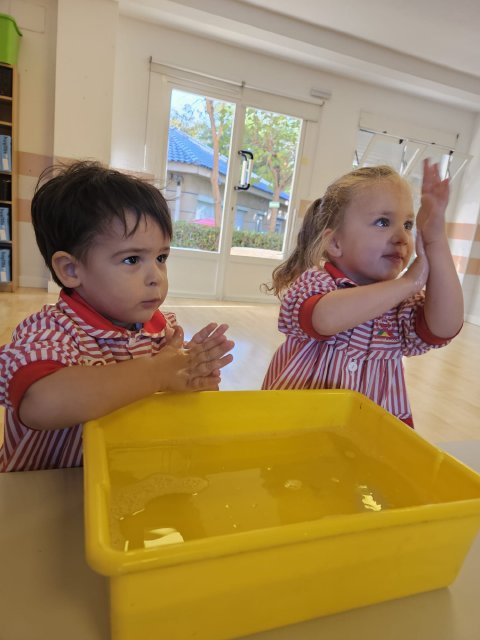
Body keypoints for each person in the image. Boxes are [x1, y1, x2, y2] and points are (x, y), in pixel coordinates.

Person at [0, 161, 235, 472]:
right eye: (132, 259)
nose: (156, 277)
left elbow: (173, 404)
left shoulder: (164, 331)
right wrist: (158, 372)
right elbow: (40, 403)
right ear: (71, 270)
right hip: (48, 485)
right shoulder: (50, 330)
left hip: (123, 476)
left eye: (161, 257)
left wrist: (192, 378)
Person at [262, 160, 463, 427]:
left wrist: (436, 240)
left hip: (368, 433)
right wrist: (408, 282)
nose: (402, 237)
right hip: (299, 426)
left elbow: (446, 326)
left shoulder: (401, 306)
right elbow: (324, 319)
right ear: (335, 242)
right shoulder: (316, 283)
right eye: (383, 222)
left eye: (407, 224)